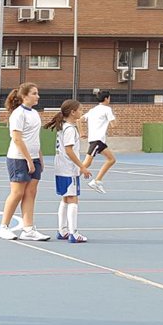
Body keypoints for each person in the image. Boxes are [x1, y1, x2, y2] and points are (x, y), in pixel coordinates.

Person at [0, 82, 50, 241]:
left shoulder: (35, 113)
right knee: (17, 192)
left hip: (33, 158)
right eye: (34, 93)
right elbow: (17, 139)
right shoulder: (18, 114)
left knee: (31, 192)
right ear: (24, 96)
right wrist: (28, 160)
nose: (37, 96)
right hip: (18, 158)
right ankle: (3, 227)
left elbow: (34, 138)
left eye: (37, 93)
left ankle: (28, 229)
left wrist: (39, 157)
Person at [46, 100, 91, 243]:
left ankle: (62, 230)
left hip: (60, 167)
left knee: (65, 198)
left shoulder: (63, 126)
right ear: (73, 112)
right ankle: (73, 233)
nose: (82, 112)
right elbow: (69, 150)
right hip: (68, 168)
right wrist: (82, 166)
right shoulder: (70, 129)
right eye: (80, 110)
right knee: (73, 198)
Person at [82, 91, 116, 193]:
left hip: (99, 141)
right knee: (87, 163)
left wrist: (81, 132)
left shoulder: (93, 110)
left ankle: (97, 181)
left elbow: (79, 119)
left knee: (111, 160)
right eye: (109, 98)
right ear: (106, 98)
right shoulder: (107, 109)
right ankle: (71, 178)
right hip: (97, 140)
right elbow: (114, 125)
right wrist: (113, 119)